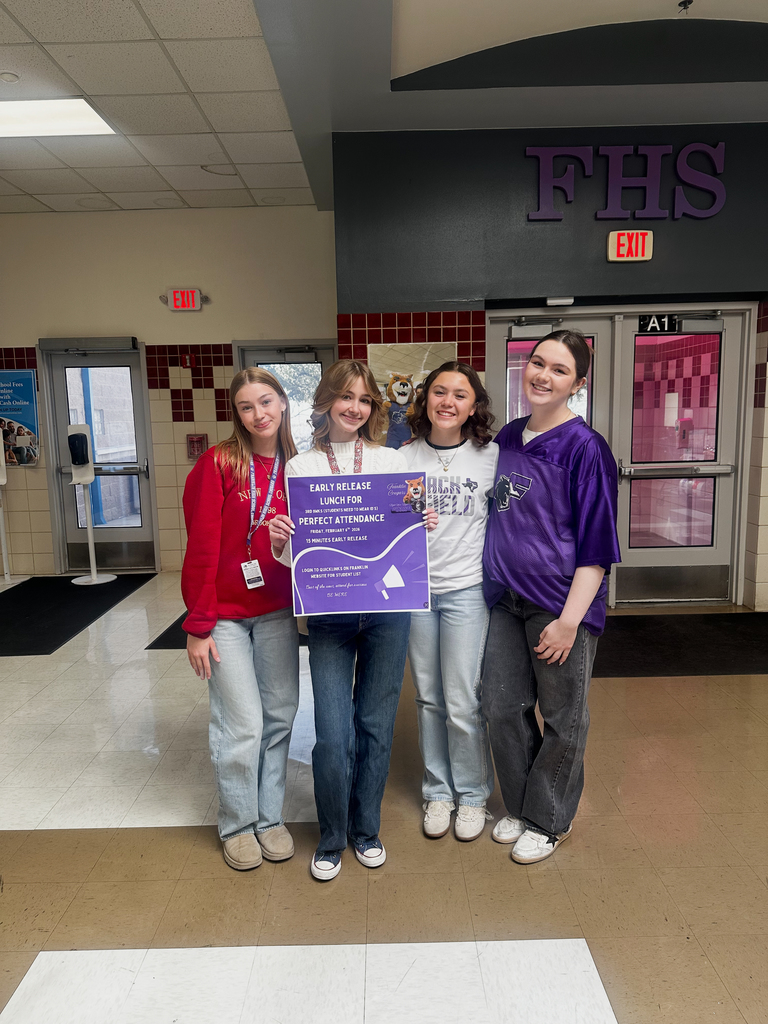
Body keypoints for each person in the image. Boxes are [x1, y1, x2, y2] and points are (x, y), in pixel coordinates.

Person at [269, 359, 437, 881]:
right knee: (332, 733)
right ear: (325, 402)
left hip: (387, 613)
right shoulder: (301, 469)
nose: (355, 408)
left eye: (364, 400)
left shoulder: (392, 462)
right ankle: (332, 836)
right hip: (330, 616)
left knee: (375, 725)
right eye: (346, 397)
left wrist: (422, 524)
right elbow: (297, 561)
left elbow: (405, 548)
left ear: (373, 408)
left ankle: (366, 831)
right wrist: (281, 544)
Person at [482, 330, 620, 864]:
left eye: (559, 370)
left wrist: (568, 622)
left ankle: (550, 818)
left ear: (578, 384)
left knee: (565, 715)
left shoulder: (586, 449)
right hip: (504, 600)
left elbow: (595, 551)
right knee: (501, 705)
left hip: (559, 606)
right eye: (537, 363)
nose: (542, 375)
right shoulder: (510, 437)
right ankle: (519, 806)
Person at [181, 367, 300, 871]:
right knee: (243, 723)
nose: (259, 414)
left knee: (279, 716)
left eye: (267, 402)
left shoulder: (300, 465)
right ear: (237, 412)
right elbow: (202, 548)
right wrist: (199, 626)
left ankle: (269, 817)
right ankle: (237, 823)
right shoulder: (220, 463)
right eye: (248, 406)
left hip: (275, 612)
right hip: (226, 616)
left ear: (283, 403)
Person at [402, 362, 499, 841]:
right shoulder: (401, 458)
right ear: (424, 400)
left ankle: (474, 796)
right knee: (428, 698)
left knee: (462, 700)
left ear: (473, 406)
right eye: (439, 392)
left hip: (466, 591)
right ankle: (438, 791)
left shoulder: (492, 457)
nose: (448, 402)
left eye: (460, 395)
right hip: (416, 593)